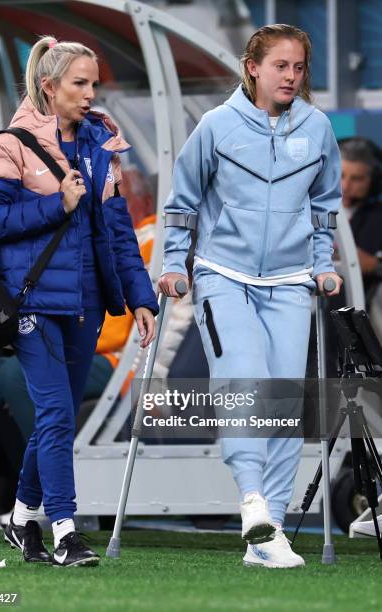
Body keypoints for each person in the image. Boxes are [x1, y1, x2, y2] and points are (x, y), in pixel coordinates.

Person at [0, 36, 158, 567]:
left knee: (59, 420)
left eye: (93, 83)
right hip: (31, 304)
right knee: (54, 414)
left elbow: (118, 230)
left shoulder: (102, 143)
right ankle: (66, 532)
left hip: (87, 305)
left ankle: (21, 518)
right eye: (80, 83)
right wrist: (57, 204)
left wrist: (140, 297)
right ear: (49, 88)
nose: (90, 93)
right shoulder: (8, 145)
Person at [159, 24, 342, 568]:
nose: (291, 76)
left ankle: (272, 533)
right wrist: (174, 263)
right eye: (281, 66)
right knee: (244, 381)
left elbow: (325, 206)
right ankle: (252, 502)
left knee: (284, 402)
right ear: (253, 67)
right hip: (223, 274)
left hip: (288, 283)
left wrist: (322, 264)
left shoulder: (318, 128)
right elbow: (182, 202)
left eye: (299, 67)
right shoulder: (216, 126)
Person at [339, 137, 382, 339]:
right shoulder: (303, 211)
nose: (345, 187)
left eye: (356, 179)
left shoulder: (378, 217)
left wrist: (375, 264)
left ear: (373, 181)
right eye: (340, 176)